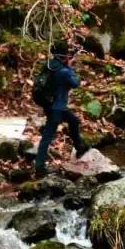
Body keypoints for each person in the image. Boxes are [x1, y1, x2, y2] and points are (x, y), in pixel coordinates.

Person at [34, 41, 88, 177]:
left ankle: (80, 148)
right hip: (56, 108)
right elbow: (75, 83)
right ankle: (39, 167)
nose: (69, 56)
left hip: (51, 105)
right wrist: (70, 68)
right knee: (47, 136)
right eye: (68, 54)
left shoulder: (49, 66)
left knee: (74, 121)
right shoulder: (64, 71)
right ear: (64, 56)